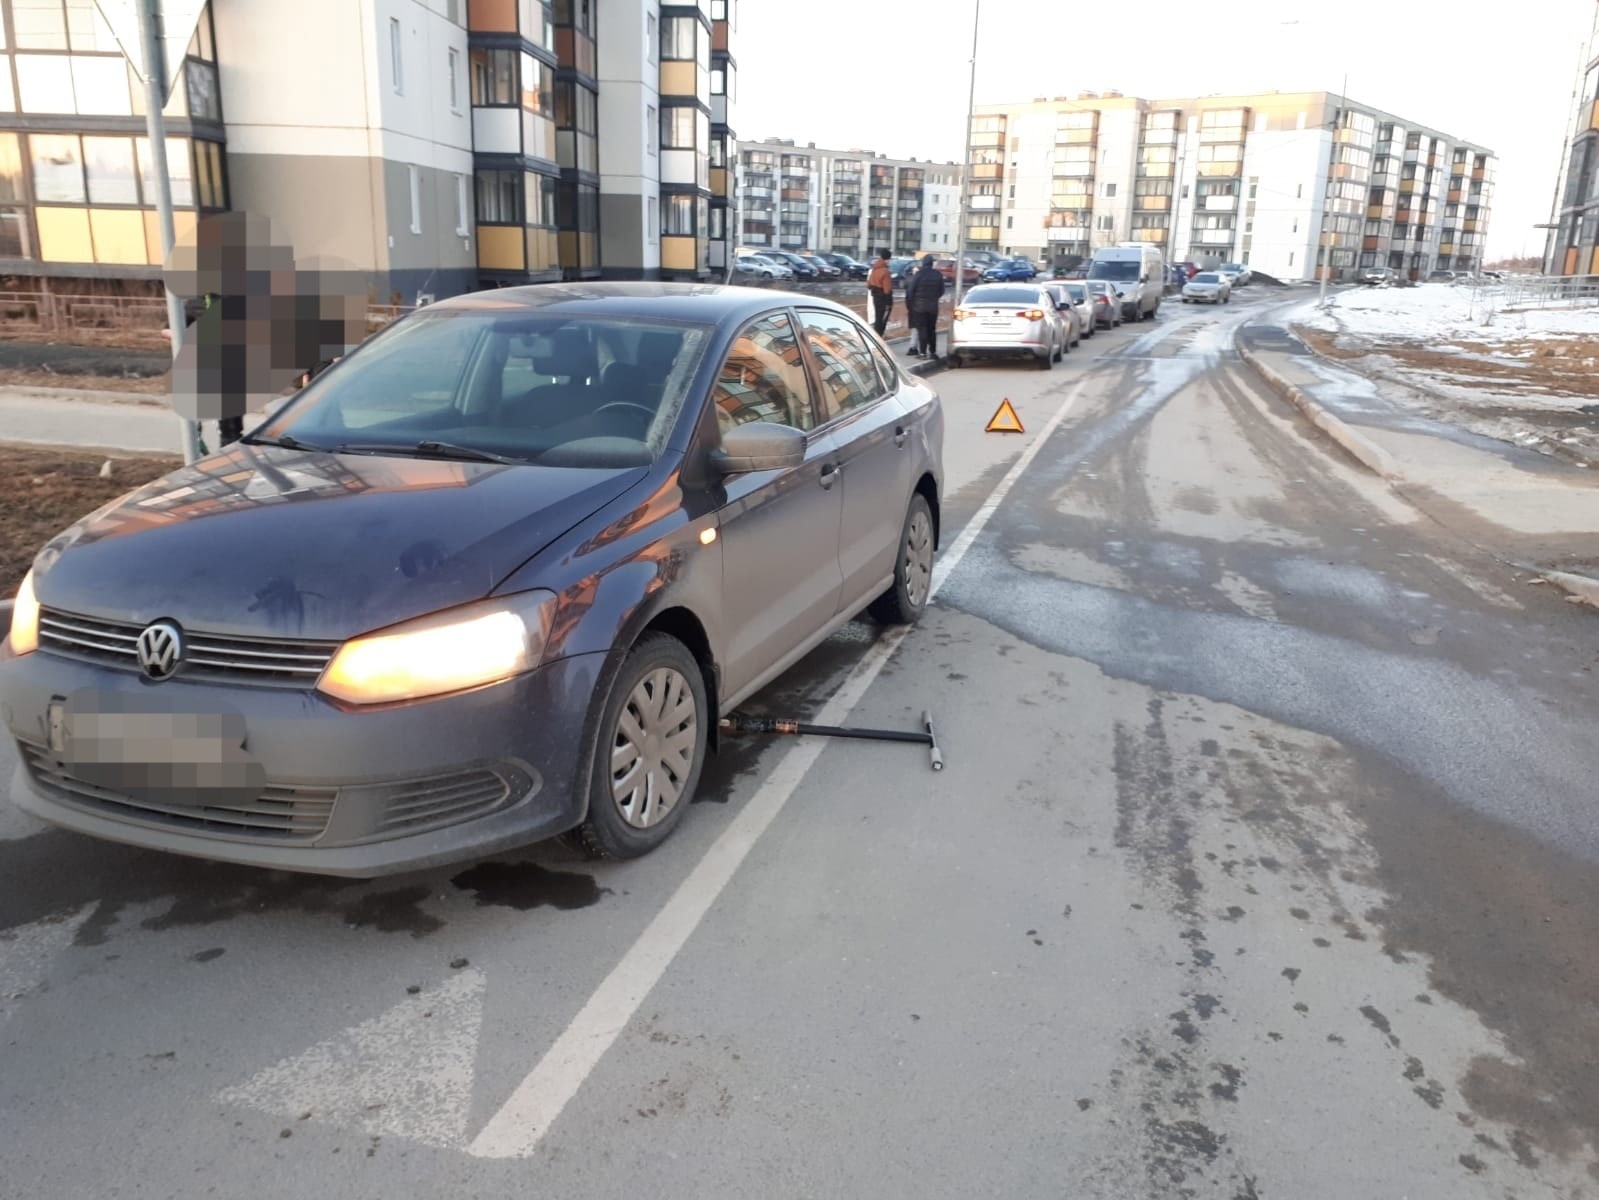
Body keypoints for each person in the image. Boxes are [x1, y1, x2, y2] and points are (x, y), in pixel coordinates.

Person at [905, 253, 946, 359]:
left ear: (923, 263)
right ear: (932, 263)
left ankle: (922, 353)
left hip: (919, 307)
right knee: (931, 329)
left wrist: (911, 304)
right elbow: (942, 290)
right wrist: (934, 297)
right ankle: (933, 352)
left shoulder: (918, 275)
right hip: (933, 306)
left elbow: (910, 291)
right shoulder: (937, 274)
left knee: (922, 329)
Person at [867, 247, 893, 336]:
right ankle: (878, 336)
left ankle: (876, 335)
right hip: (883, 297)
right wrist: (889, 301)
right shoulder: (885, 271)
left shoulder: (875, 268)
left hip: (875, 295)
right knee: (882, 319)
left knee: (877, 317)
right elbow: (887, 288)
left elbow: (869, 284)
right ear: (887, 259)